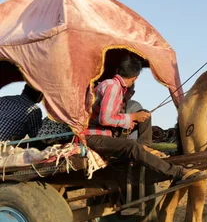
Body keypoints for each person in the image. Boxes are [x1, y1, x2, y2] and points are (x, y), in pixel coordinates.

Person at [83, 52, 197, 183]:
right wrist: (132, 117)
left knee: (145, 114)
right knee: (131, 146)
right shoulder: (113, 87)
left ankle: (144, 147)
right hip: (94, 136)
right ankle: (177, 172)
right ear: (135, 78)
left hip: (103, 133)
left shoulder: (112, 85)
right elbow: (105, 119)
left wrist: (132, 119)